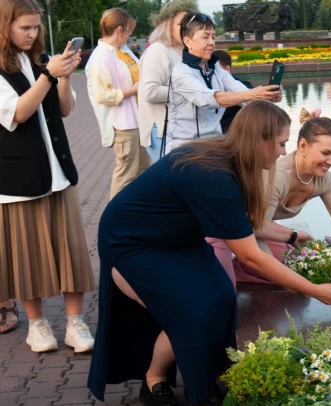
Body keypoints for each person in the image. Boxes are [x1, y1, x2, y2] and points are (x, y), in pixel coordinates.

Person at [87, 101, 331, 406]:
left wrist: (292, 237)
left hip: (178, 239)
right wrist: (312, 289)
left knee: (223, 297)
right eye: (280, 143)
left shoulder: (232, 161)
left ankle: (209, 377)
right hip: (134, 241)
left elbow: (250, 225)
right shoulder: (213, 174)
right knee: (190, 308)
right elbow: (250, 256)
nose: (282, 152)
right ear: (259, 140)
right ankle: (157, 381)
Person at [0, 0, 96, 351]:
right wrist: (48, 75)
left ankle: (75, 323)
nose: (32, 33)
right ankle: (37, 325)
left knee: (70, 249)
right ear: (4, 26)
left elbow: (65, 109)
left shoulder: (37, 62)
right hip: (19, 179)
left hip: (58, 171)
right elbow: (20, 113)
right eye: (24, 27)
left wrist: (65, 77)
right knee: (28, 255)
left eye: (36, 27)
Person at [210, 109, 331, 288]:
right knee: (276, 275)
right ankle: (233, 269)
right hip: (222, 227)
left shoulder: (325, 181)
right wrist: (278, 273)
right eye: (326, 153)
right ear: (303, 146)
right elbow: (255, 228)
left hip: (257, 226)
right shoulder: (277, 176)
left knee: (298, 266)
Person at [164, 12, 281, 154]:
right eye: (205, 37)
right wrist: (252, 94)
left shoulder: (216, 69)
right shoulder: (180, 73)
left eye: (213, 37)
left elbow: (241, 92)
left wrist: (266, 96)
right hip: (185, 151)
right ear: (188, 41)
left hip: (213, 146)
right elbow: (209, 99)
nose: (211, 42)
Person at [86, 8, 151, 199]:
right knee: (126, 175)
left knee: (143, 170)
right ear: (120, 29)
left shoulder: (122, 50)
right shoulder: (101, 57)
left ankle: (137, 213)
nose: (131, 34)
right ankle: (116, 218)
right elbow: (102, 95)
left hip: (137, 119)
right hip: (122, 123)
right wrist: (132, 91)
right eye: (129, 29)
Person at [138, 0, 197, 163]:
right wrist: (190, 92)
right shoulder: (158, 50)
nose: (187, 28)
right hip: (162, 130)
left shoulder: (183, 51)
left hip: (180, 129)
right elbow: (150, 92)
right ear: (167, 25)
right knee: (170, 184)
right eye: (181, 24)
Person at [212, 49, 253, 134]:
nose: (213, 73)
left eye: (217, 70)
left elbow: (254, 105)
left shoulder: (243, 85)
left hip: (232, 136)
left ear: (227, 69)